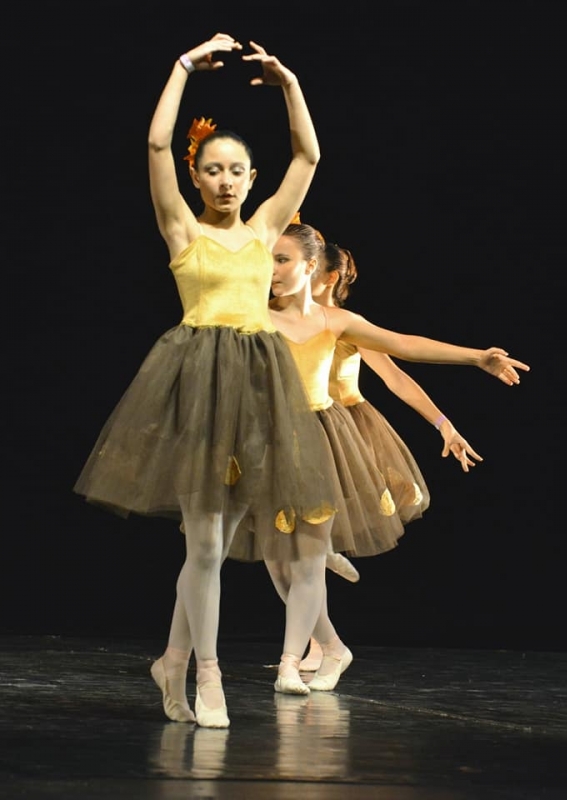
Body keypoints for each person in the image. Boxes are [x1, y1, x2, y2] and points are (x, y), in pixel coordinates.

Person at [74, 33, 344, 728]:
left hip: (257, 391)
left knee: (217, 548)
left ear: (252, 180)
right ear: (198, 178)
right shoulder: (182, 232)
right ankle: (205, 673)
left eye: (237, 171)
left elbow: (309, 155)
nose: (225, 181)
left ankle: (169, 658)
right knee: (204, 547)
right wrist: (181, 68)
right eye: (214, 170)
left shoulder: (263, 231)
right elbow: (158, 146)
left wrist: (290, 83)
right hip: (197, 384)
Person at [248, 221, 530, 690]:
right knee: (277, 556)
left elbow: (403, 357)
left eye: (284, 261)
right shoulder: (258, 314)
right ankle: (330, 644)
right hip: (273, 440)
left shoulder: (340, 323)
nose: (274, 270)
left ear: (319, 270)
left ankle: (291, 661)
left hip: (329, 435)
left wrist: (472, 364)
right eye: (271, 261)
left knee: (304, 557)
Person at [299, 237, 484, 671]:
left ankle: (320, 633)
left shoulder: (346, 323)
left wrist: (444, 424)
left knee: (301, 548)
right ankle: (315, 640)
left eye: (306, 267)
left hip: (340, 430)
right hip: (296, 428)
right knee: (289, 550)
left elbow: (395, 375)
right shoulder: (291, 317)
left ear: (326, 277)